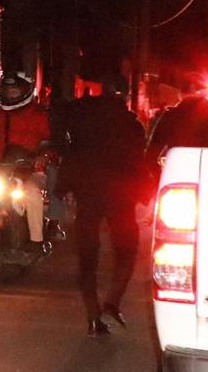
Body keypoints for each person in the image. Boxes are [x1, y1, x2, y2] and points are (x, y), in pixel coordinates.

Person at [58, 75, 150, 337]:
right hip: (121, 197)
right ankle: (112, 302)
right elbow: (137, 160)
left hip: (89, 195)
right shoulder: (129, 126)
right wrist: (145, 192)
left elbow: (72, 157)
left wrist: (64, 189)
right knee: (126, 252)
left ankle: (93, 315)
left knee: (87, 259)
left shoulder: (83, 128)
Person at [0, 75, 59, 255]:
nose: (11, 94)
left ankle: (36, 241)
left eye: (15, 90)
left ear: (26, 91)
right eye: (8, 90)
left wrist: (43, 156)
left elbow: (52, 142)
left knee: (32, 194)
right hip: (0, 171)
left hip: (31, 171)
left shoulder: (40, 116)